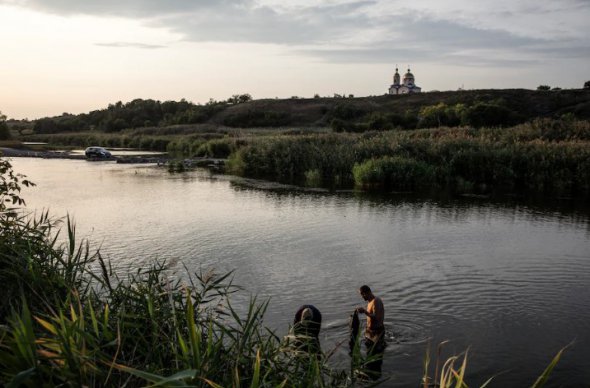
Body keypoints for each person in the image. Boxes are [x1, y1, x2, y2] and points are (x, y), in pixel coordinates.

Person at [356, 285, 385, 377]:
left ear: (367, 292)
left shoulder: (377, 301)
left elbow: (377, 317)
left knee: (376, 354)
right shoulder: (369, 302)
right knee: (369, 353)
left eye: (362, 294)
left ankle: (375, 369)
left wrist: (364, 311)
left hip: (377, 332)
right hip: (370, 332)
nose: (362, 297)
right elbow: (370, 317)